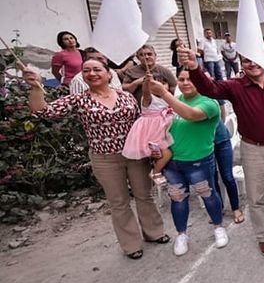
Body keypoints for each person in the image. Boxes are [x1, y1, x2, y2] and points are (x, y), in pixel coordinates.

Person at [23, 59, 167, 260]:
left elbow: (140, 124)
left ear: (109, 74)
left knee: (144, 195)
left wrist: (154, 146)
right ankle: (131, 244)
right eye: (86, 70)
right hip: (105, 159)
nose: (92, 73)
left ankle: (155, 232)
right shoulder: (78, 99)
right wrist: (36, 86)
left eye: (97, 69)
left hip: (135, 155)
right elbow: (42, 111)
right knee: (119, 202)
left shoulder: (126, 96)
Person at [178, 46, 264, 258]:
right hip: (253, 149)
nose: (251, 64)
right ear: (241, 64)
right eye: (246, 60)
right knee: (256, 196)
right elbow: (210, 89)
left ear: (263, 60)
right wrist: (194, 67)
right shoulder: (235, 86)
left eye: (254, 59)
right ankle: (263, 236)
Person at [147, 70, 228, 256]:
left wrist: (164, 94)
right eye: (181, 79)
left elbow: (190, 115)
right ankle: (181, 234)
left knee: (208, 195)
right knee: (178, 199)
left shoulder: (209, 103)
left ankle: (218, 227)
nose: (185, 83)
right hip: (174, 164)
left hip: (199, 162)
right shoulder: (174, 101)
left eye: (190, 79)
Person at [121, 70, 174, 184]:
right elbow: (145, 92)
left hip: (164, 130)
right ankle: (155, 172)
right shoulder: (149, 99)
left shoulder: (167, 98)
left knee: (165, 153)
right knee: (166, 154)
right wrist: (146, 83)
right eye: (154, 83)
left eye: (163, 83)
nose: (159, 86)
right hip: (152, 131)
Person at [212, 120, 244, 224]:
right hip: (204, 143)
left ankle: (236, 209)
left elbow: (221, 114)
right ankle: (218, 209)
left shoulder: (212, 103)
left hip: (222, 140)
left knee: (227, 176)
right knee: (212, 178)